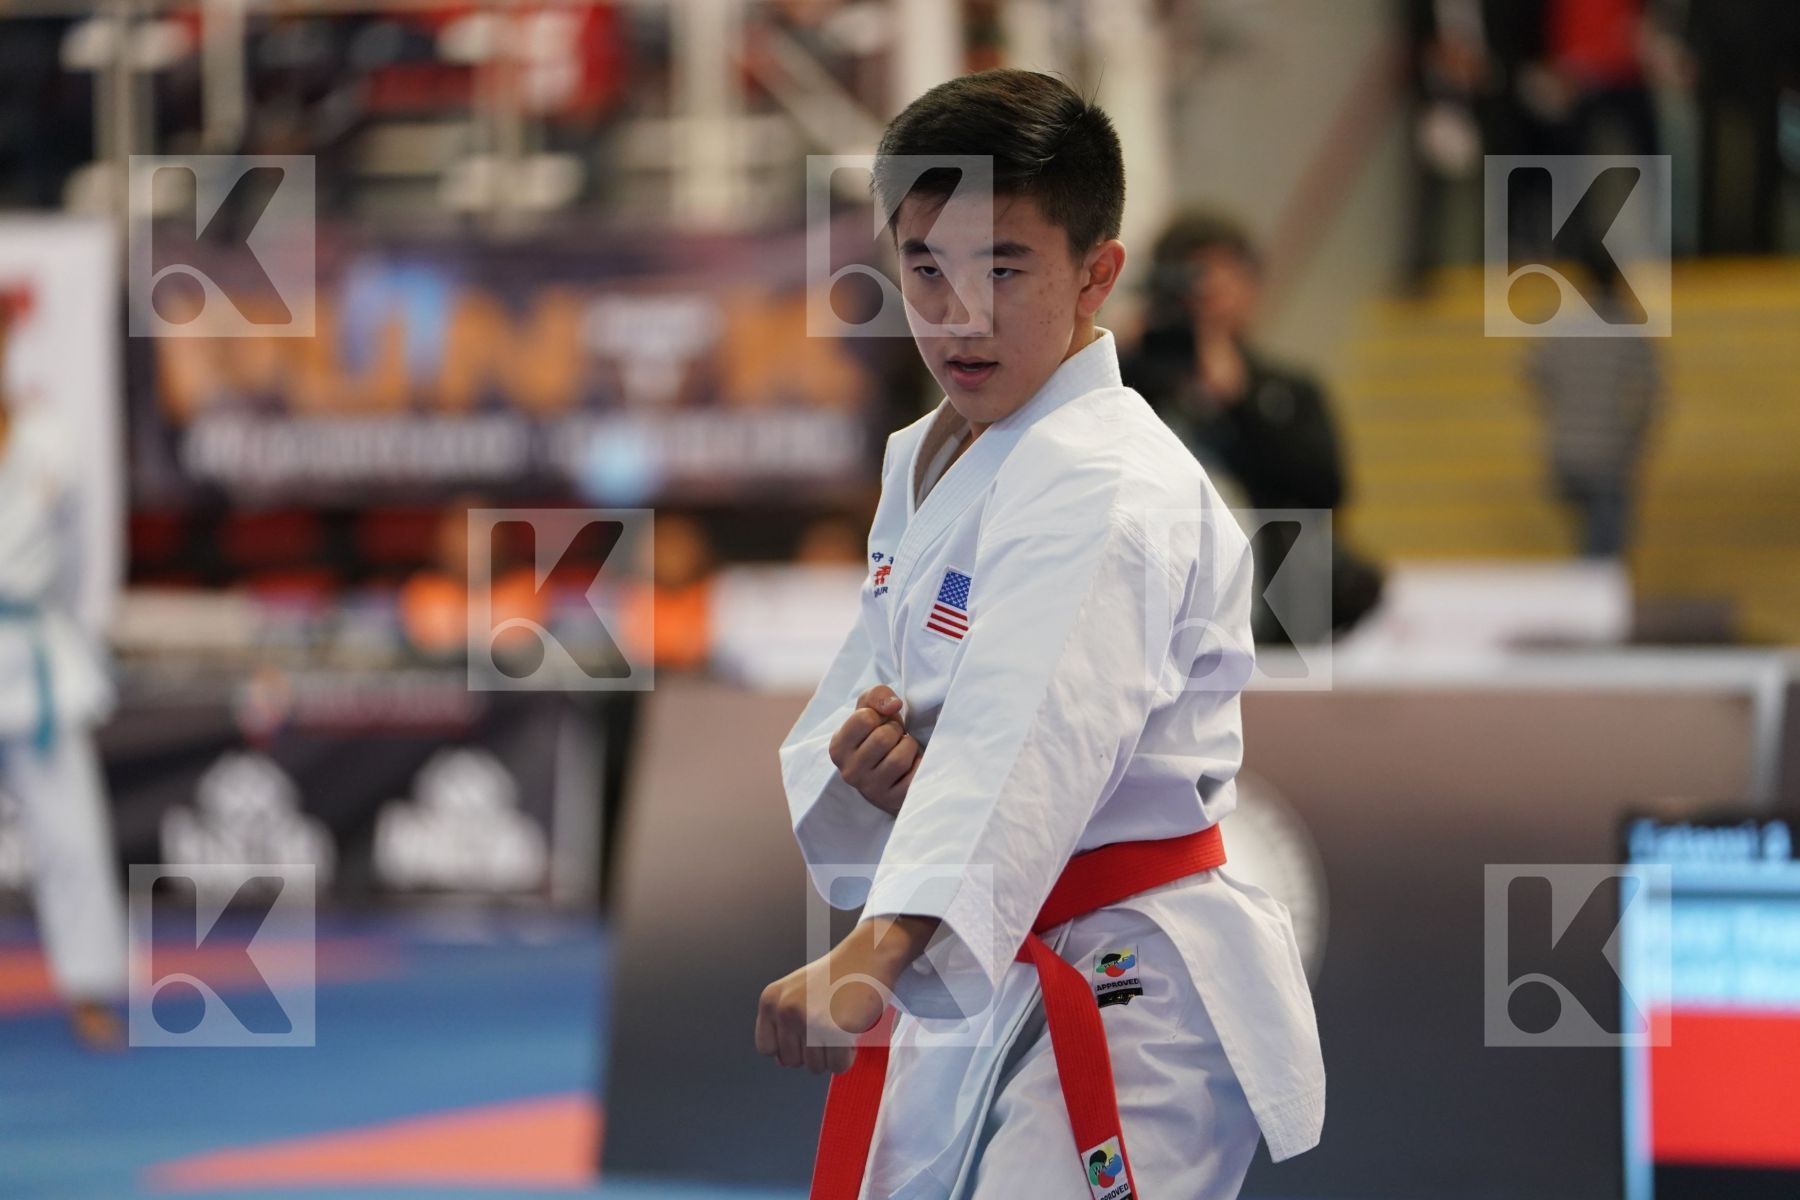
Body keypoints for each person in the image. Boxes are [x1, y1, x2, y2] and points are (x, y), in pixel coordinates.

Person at [756, 70, 1324, 1199]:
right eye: (925, 268)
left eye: (1004, 269)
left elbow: (1032, 733)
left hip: (1129, 973)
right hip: (986, 952)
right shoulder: (929, 452)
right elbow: (885, 692)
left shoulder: (1104, 481)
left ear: (1096, 273)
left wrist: (877, 946)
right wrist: (875, 766)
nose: (957, 315)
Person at [1124, 211, 1382, 644]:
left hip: (1269, 600)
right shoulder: (1124, 379)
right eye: (1188, 283)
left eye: (1219, 281)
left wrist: (1242, 401)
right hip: (1145, 588)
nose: (1204, 298)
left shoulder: (1285, 389)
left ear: (1251, 287)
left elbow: (1326, 491)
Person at [0, 289, 129, 1050]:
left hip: (35, 649)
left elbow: (79, 558)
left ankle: (89, 987)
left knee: (72, 835)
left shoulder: (49, 435)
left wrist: (74, 632)